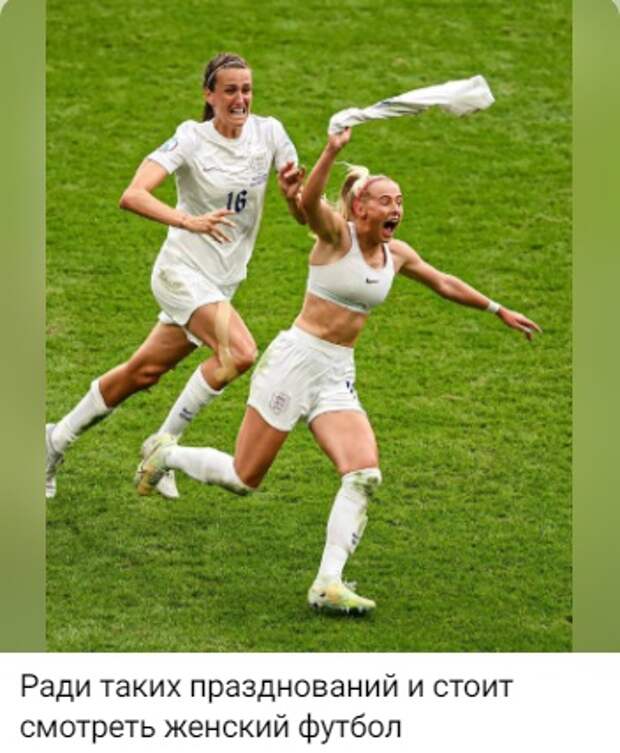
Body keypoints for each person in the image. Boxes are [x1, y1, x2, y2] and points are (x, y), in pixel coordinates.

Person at [135, 126, 542, 614]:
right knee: (245, 478)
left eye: (400, 201)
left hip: (336, 372)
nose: (396, 208)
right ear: (361, 208)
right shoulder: (335, 237)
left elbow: (443, 282)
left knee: (363, 474)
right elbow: (308, 203)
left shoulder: (395, 254)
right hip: (294, 362)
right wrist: (331, 150)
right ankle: (166, 454)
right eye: (386, 200)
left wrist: (497, 308)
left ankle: (327, 583)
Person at [45, 52, 306, 500]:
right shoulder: (191, 138)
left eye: (246, 90)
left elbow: (302, 215)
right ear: (209, 95)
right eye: (230, 90)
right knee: (240, 352)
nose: (240, 99)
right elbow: (133, 195)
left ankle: (53, 442)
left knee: (142, 373)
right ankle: (162, 447)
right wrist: (189, 221)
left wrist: (293, 195)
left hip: (221, 283)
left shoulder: (270, 133)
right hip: (180, 273)